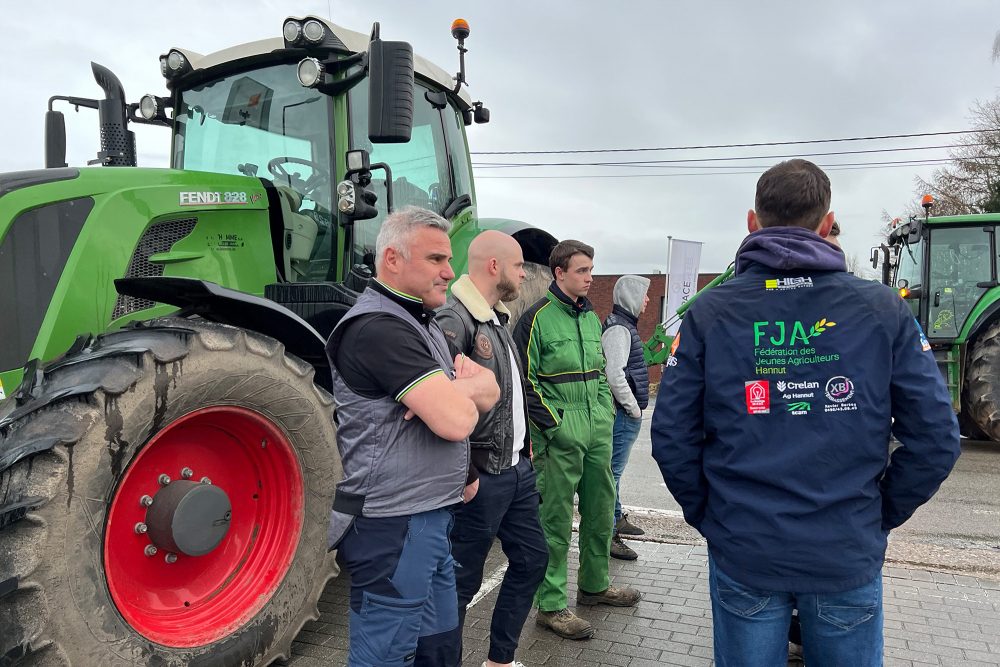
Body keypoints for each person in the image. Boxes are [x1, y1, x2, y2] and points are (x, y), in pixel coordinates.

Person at [651, 159, 960, 667]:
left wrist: (714, 518)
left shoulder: (710, 312)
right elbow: (937, 440)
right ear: (826, 222)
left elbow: (672, 438)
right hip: (842, 550)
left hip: (746, 548)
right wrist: (876, 516)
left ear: (753, 222)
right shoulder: (882, 309)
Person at [325, 206, 500, 667]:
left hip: (430, 519)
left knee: (439, 648)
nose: (450, 271)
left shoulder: (422, 323)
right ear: (392, 259)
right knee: (385, 655)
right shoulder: (378, 329)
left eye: (448, 260)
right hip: (392, 525)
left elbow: (492, 387)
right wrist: (459, 395)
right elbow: (457, 421)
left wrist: (459, 391)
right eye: (436, 260)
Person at [426, 230, 549, 667]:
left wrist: (526, 449)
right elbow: (435, 405)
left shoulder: (497, 320)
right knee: (458, 584)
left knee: (534, 559)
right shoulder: (453, 321)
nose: (523, 274)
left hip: (516, 470)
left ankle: (500, 660)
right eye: (519, 266)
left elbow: (511, 395)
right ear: (494, 266)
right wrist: (465, 471)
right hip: (481, 478)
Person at [513, 239, 642, 641]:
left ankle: (594, 585)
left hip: (597, 432)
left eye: (591, 269)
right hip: (559, 438)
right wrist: (556, 426)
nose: (590, 277)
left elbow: (600, 374)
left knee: (601, 511)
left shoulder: (591, 319)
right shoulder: (535, 320)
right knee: (553, 523)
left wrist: (603, 416)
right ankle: (550, 606)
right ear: (560, 273)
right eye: (583, 270)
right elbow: (524, 382)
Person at [601, 274, 652, 561]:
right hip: (622, 415)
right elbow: (614, 375)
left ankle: (617, 519)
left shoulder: (624, 326)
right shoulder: (619, 330)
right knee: (612, 475)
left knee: (614, 474)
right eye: (643, 294)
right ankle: (609, 535)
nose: (647, 299)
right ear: (631, 296)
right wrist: (633, 408)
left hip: (624, 414)